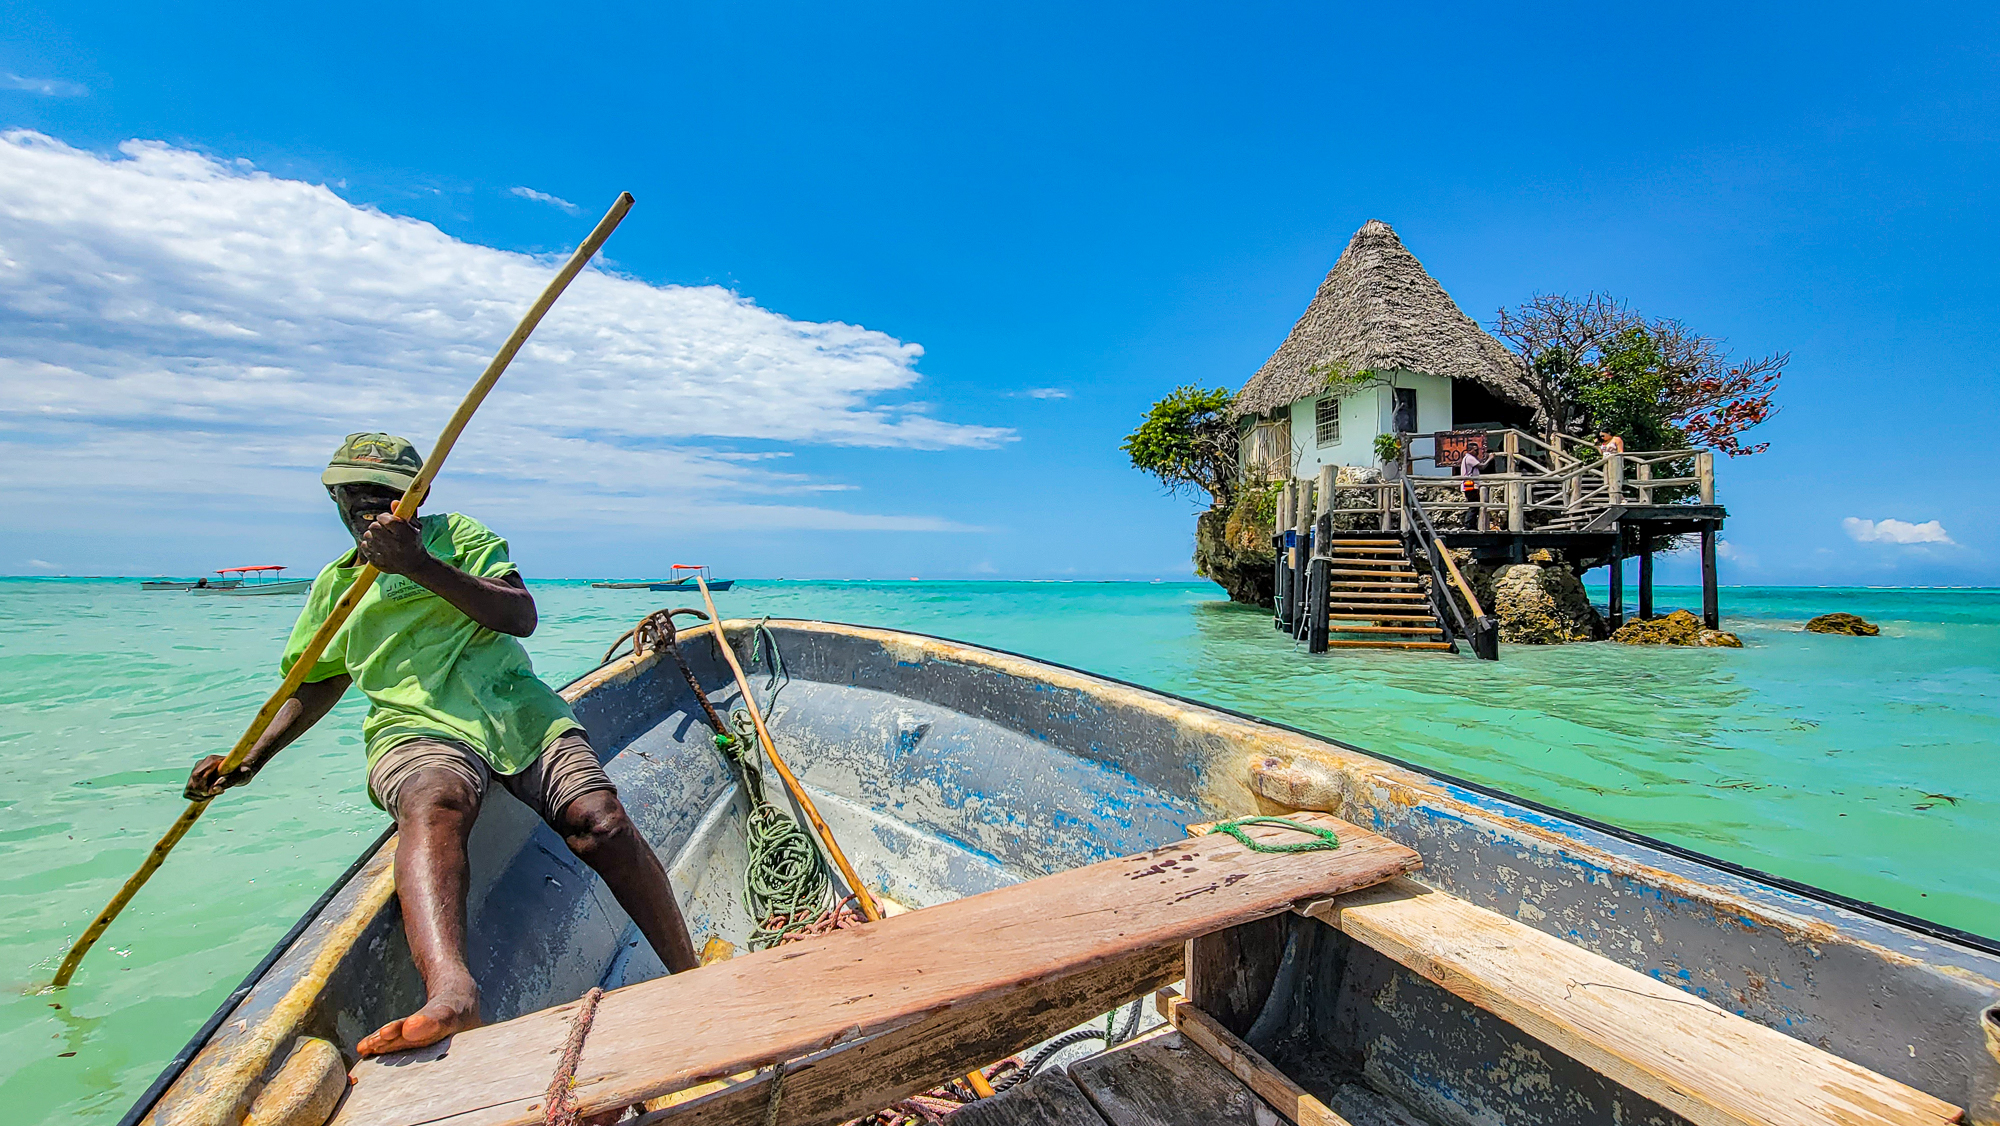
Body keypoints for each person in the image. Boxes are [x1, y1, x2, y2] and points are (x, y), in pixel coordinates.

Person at [185, 433, 699, 1056]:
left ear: (416, 495)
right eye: (352, 495)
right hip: (414, 728)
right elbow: (316, 683)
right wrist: (248, 759)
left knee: (603, 823)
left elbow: (519, 616)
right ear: (335, 499)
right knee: (435, 800)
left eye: (384, 496)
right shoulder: (335, 587)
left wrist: (419, 565)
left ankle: (690, 973)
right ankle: (452, 993)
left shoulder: (459, 539)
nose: (367, 509)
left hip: (518, 712)